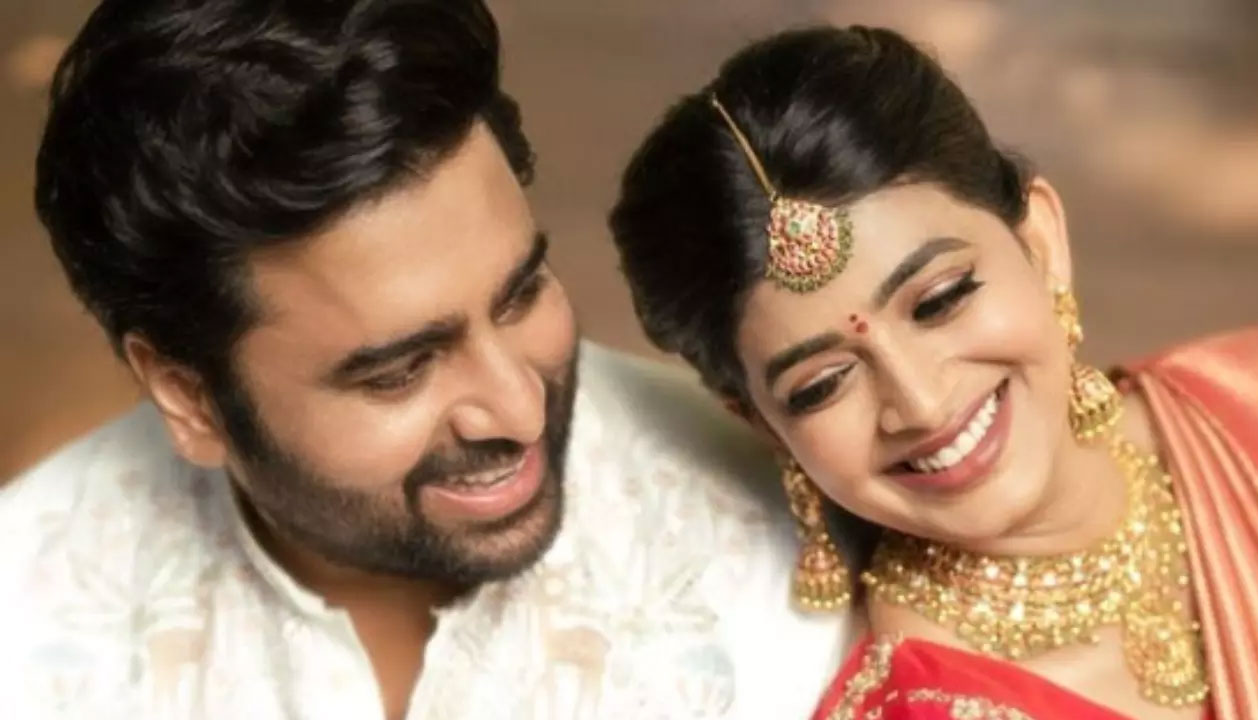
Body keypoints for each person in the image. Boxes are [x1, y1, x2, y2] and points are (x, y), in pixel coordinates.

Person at [0, 1, 852, 717]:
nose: (520, 411)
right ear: (189, 397)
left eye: (521, 295)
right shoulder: (26, 632)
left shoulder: (803, 531)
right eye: (400, 371)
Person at [610, 24, 1258, 720]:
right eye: (823, 384)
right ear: (765, 425)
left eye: (940, 300)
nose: (922, 404)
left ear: (1040, 244)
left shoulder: (1254, 401)